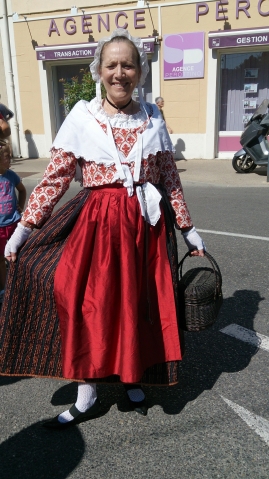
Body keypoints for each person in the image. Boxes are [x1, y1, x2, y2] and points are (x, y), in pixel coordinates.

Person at [0, 29, 205, 429]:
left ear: (139, 72)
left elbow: (168, 179)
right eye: (111, 64)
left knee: (137, 307)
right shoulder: (82, 116)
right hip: (96, 228)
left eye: (127, 64)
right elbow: (55, 178)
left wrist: (188, 228)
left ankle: (133, 375)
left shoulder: (153, 119)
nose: (119, 72)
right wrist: (24, 229)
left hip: (144, 231)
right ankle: (87, 391)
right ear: (98, 70)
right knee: (87, 305)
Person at [0, 141, 26, 302]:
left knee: (19, 253)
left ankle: (20, 282)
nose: (10, 160)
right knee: (1, 259)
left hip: (14, 223)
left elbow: (22, 190)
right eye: (7, 157)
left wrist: (20, 206)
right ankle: (4, 289)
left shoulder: (11, 175)